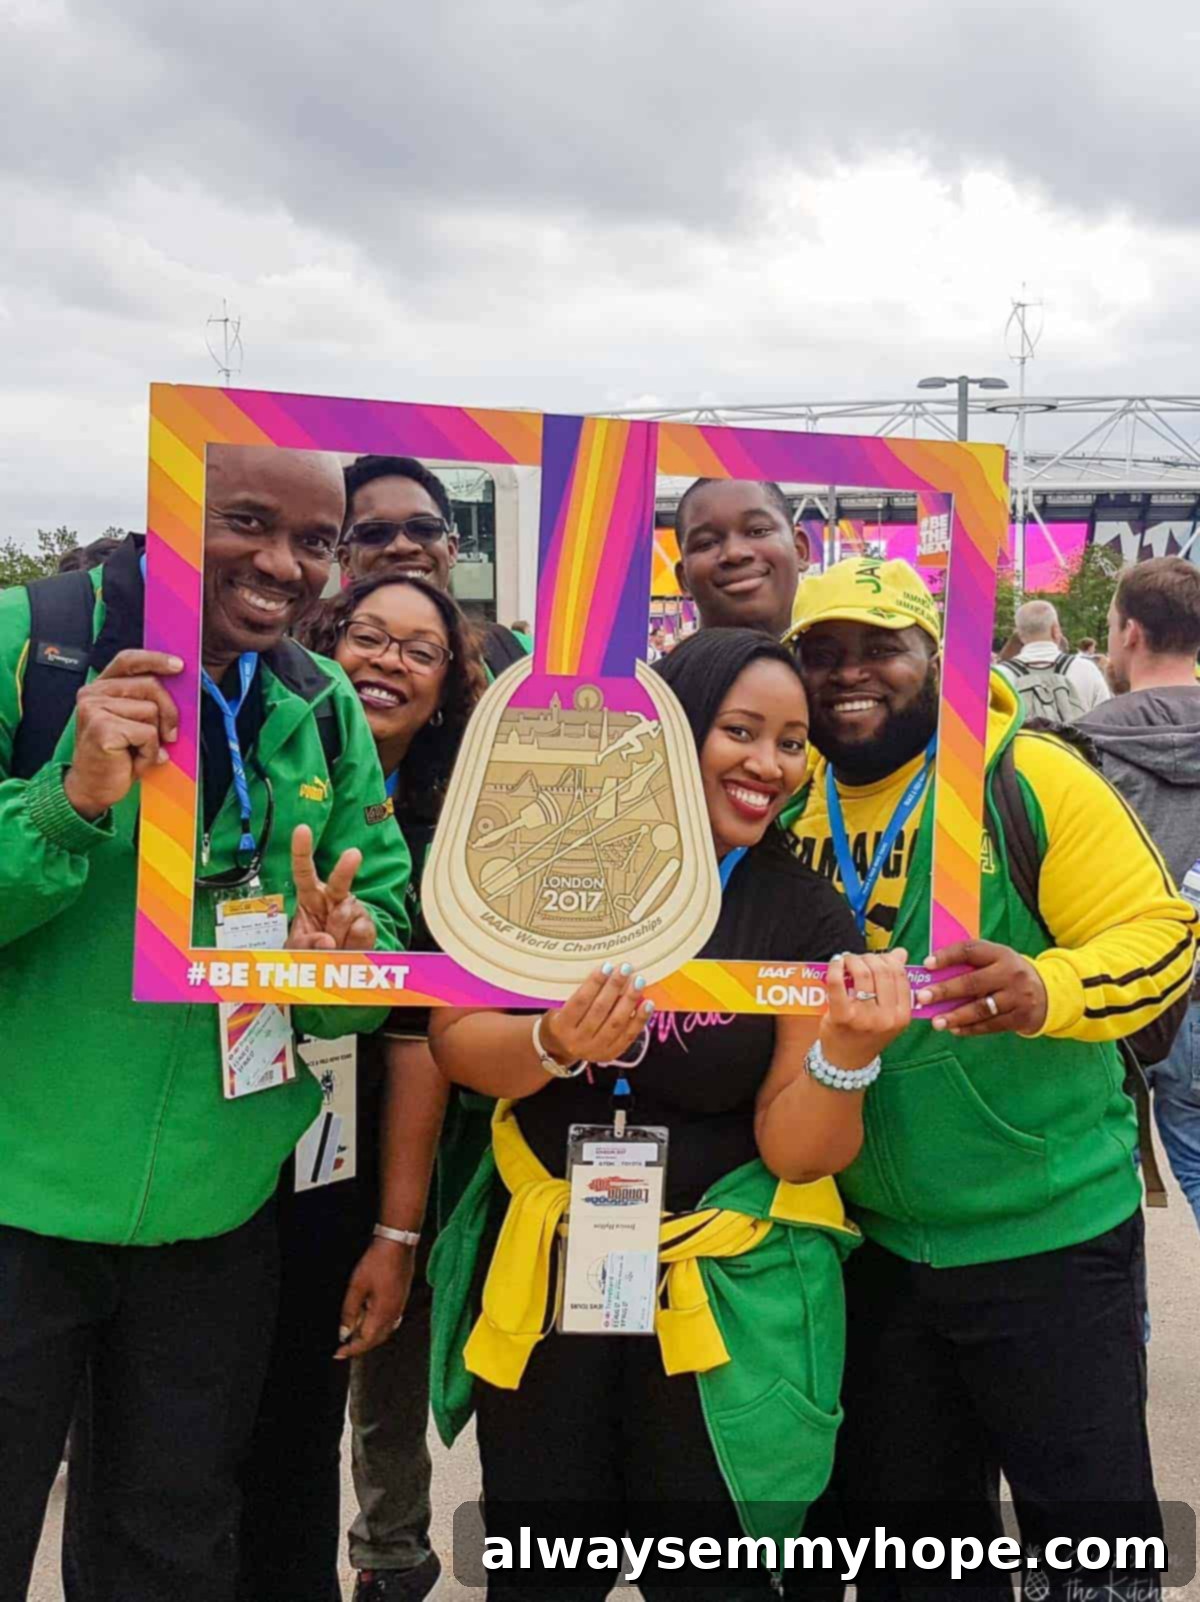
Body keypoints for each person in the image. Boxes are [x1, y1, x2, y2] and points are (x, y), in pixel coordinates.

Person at [0, 447, 409, 1602]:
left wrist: (352, 950)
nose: (282, 563)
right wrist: (65, 800)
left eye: (315, 541)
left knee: (173, 1536)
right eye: (245, 521)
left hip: (217, 1201)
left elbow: (375, 907)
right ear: (168, 510)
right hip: (17, 1193)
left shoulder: (317, 701)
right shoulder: (30, 643)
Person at [427, 627, 912, 1597]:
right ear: (668, 730)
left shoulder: (802, 911)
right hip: (550, 1279)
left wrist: (846, 1052)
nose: (768, 764)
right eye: (740, 730)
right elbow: (455, 1037)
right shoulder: (547, 847)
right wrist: (554, 1042)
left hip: (718, 1305)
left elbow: (797, 1146)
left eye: (790, 741)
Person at [784, 555, 1198, 1600]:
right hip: (867, 1246)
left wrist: (1047, 985)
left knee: (1092, 1558)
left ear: (938, 657)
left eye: (882, 648)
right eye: (822, 652)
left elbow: (1164, 938)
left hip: (1047, 1236)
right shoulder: (786, 799)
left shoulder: (1032, 778)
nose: (850, 674)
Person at [238, 573, 485, 1602]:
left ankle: (391, 1557)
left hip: (402, 1130)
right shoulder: (250, 764)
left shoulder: (462, 817)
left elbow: (419, 1035)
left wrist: (396, 1228)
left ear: (446, 687)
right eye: (367, 635)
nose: (388, 660)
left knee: (381, 1348)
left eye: (419, 650)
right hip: (254, 1121)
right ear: (322, 644)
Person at [337, 454, 529, 1593]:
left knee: (426, 1331)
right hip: (293, 1091)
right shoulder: (283, 731)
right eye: (375, 534)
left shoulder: (491, 742)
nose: (406, 542)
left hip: (458, 1079)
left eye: (425, 526)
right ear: (339, 568)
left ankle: (404, 1559)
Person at [1082, 556, 1200, 1230]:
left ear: (1129, 632)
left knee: (1105, 1187)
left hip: (1116, 992)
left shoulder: (1088, 745)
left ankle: (1129, 1334)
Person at [339, 454, 531, 678]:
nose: (403, 546)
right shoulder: (310, 675)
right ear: (345, 561)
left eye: (424, 528)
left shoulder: (522, 656)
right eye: (375, 533)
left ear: (451, 549)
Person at [673, 477, 811, 637]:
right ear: (684, 579)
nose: (734, 553)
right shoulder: (649, 663)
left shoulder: (839, 661)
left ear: (799, 550)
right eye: (707, 543)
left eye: (758, 531)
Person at [998, 596, 1110, 719]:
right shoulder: (1087, 670)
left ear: (1020, 635)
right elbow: (1106, 721)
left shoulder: (1000, 676)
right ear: (1056, 630)